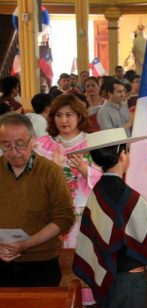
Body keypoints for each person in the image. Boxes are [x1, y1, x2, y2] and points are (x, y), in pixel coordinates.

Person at [72, 128, 147, 308]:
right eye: (127, 151)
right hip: (129, 282)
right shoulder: (125, 194)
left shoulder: (99, 191)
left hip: (108, 277)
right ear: (122, 155)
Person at [0, 112, 74, 286]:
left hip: (41, 261)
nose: (14, 152)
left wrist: (27, 244)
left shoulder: (50, 171)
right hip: (1, 260)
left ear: (33, 141)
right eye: (6, 146)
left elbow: (64, 217)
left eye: (20, 144)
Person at [35, 93, 102, 248]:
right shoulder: (41, 145)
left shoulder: (94, 143)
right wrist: (52, 170)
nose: (63, 120)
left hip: (86, 210)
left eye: (69, 115)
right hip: (51, 211)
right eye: (58, 115)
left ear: (79, 117)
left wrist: (85, 170)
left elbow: (108, 180)